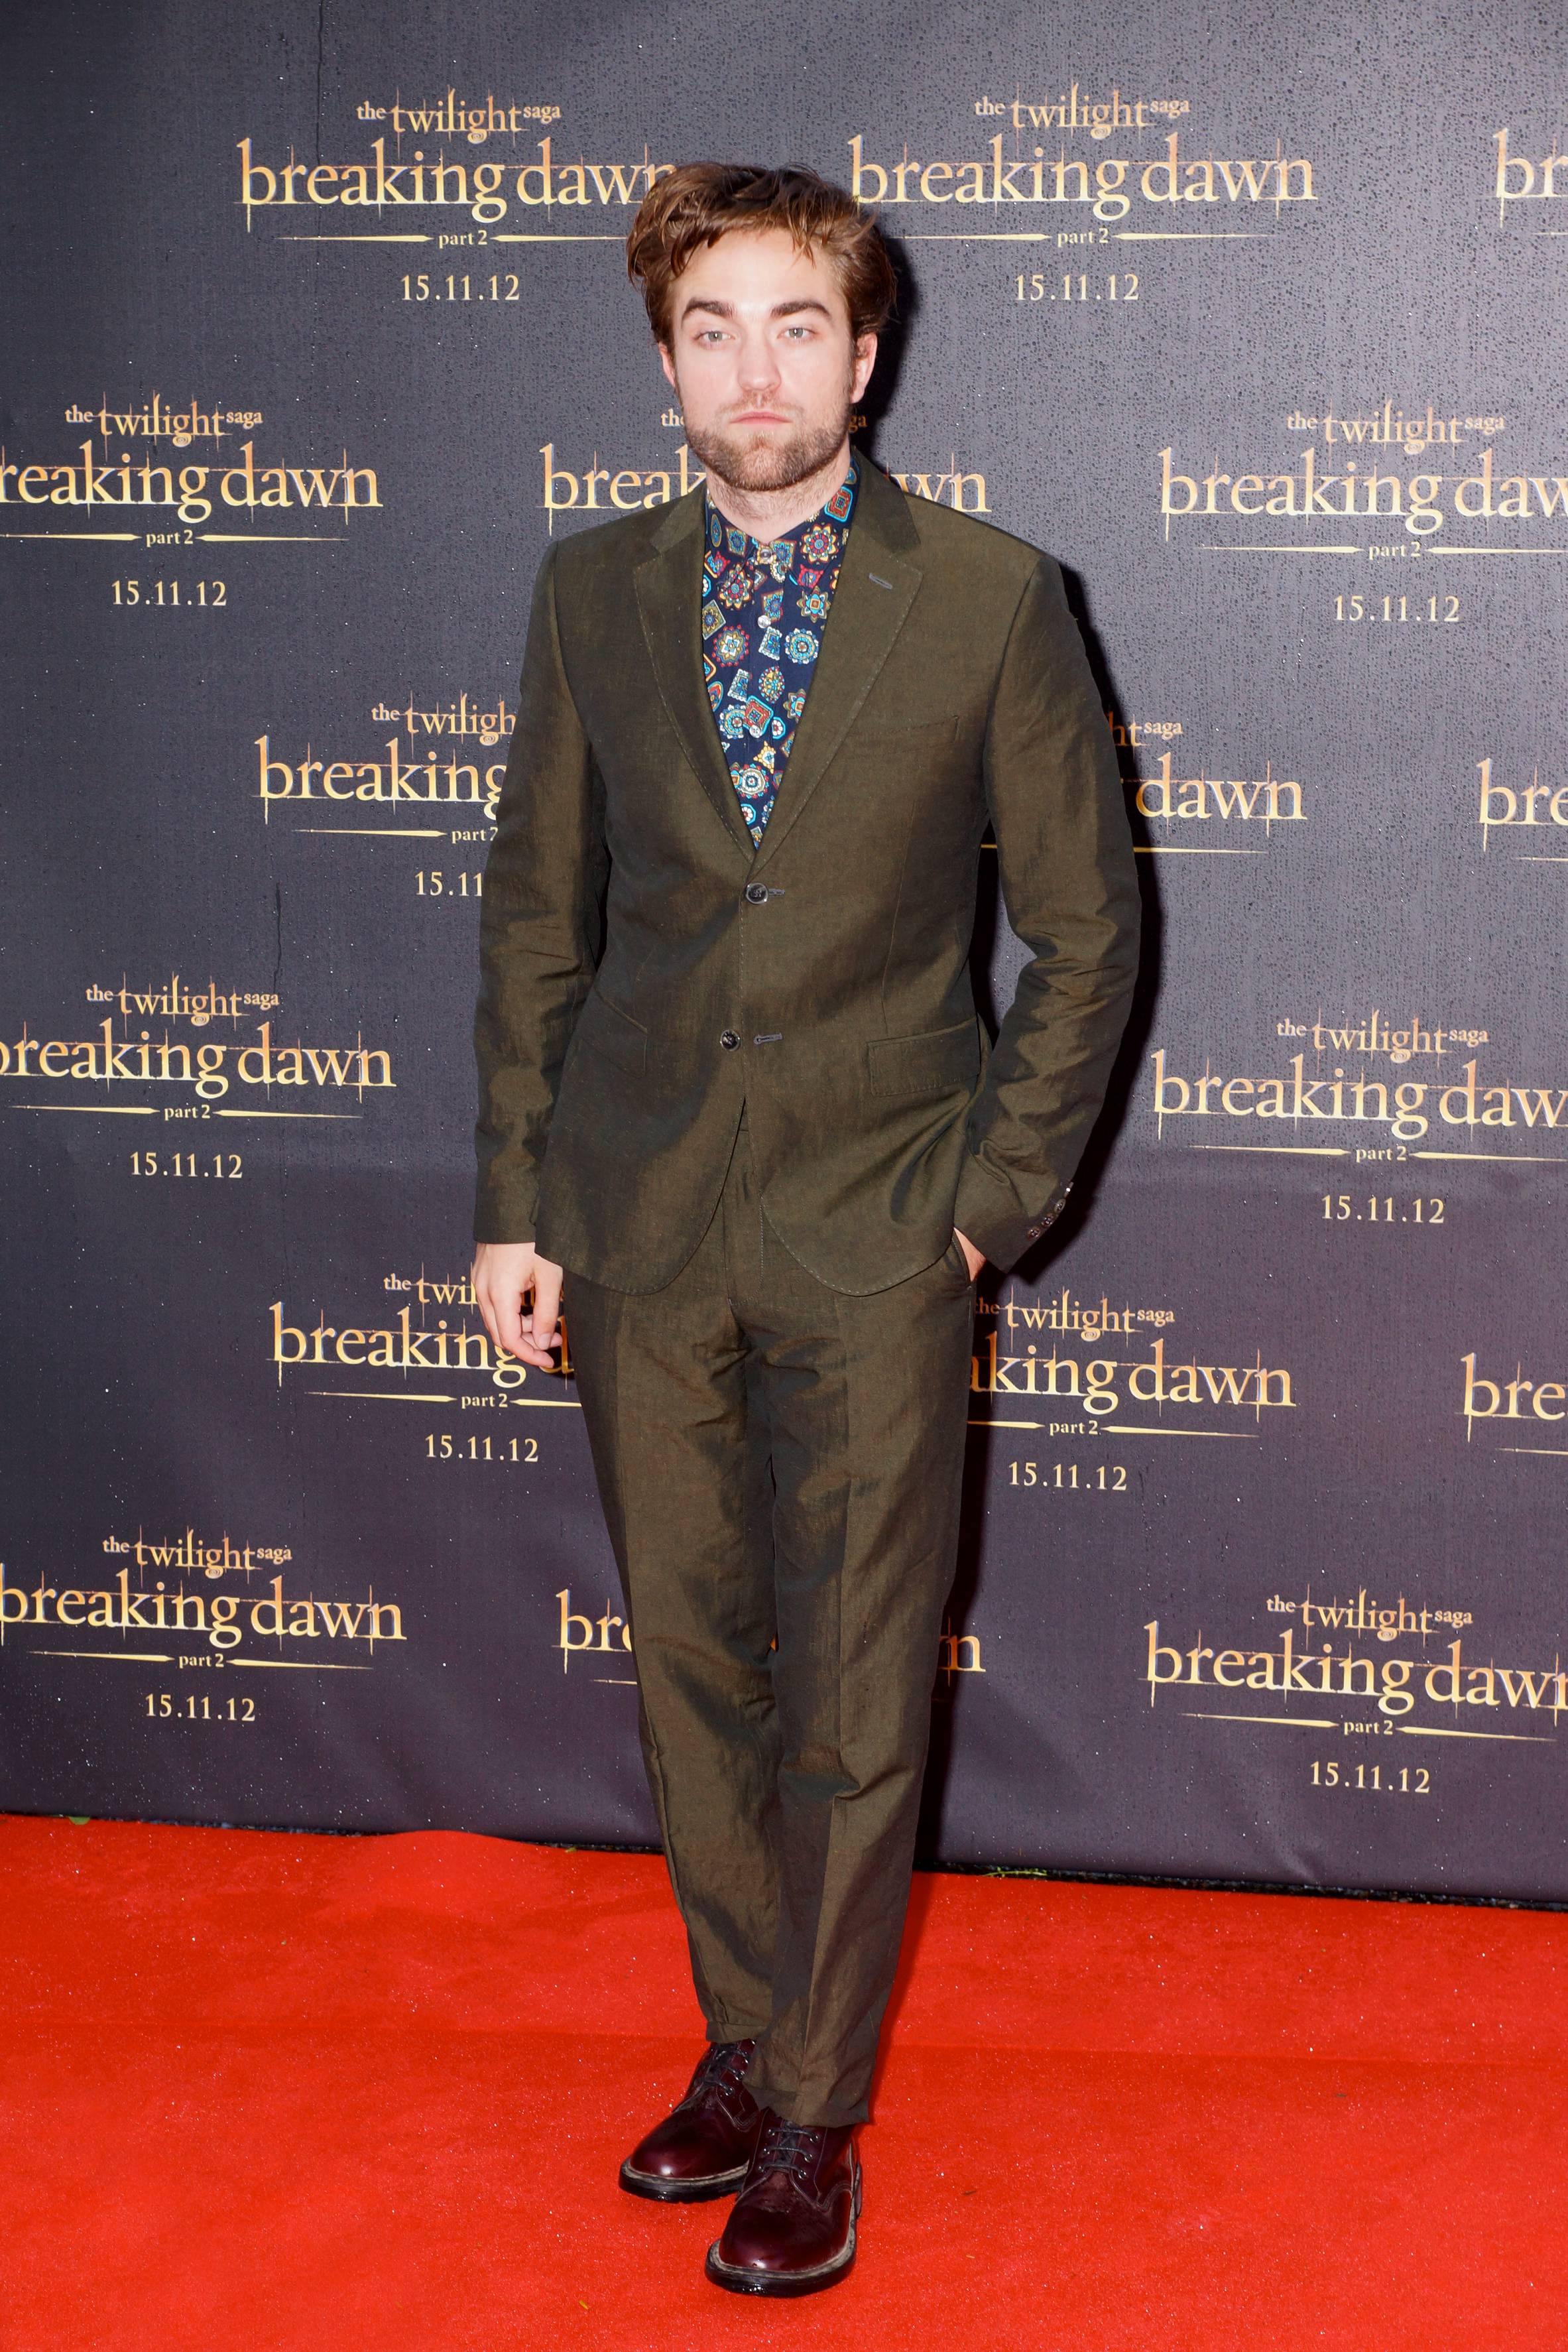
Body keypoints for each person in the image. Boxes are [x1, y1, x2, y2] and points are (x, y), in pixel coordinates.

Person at [472, 161, 1138, 2298]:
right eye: (710, 329)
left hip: (882, 1227)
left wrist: (988, 1207)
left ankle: (815, 2111)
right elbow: (538, 919)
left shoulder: (996, 599)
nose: (752, 371)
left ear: (865, 357)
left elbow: (1089, 934)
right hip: (640, 1219)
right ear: (666, 362)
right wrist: (518, 1201)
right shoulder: (589, 590)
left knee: (854, 1685)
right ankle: (750, 2040)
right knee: (693, 1670)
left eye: (794, 327)